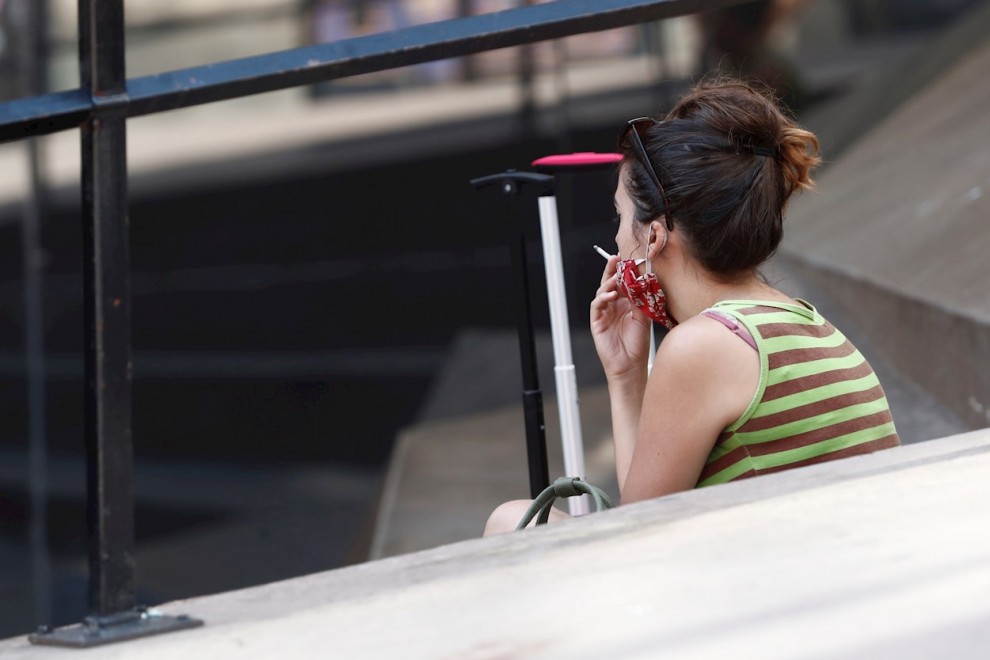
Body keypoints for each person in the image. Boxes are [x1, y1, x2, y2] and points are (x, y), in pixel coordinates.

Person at [484, 77, 899, 535]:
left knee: (510, 522)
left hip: (787, 587)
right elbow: (649, 505)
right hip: (836, 570)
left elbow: (640, 531)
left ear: (655, 236)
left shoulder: (703, 346)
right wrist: (626, 375)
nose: (618, 239)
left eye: (621, 217)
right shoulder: (799, 319)